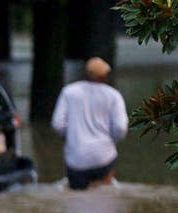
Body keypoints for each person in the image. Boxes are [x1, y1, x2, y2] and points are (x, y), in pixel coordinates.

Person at [51, 56, 129, 190]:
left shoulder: (69, 92)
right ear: (105, 75)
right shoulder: (113, 95)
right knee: (106, 199)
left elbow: (57, 124)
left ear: (85, 74)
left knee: (76, 199)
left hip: (76, 159)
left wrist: (71, 137)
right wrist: (111, 141)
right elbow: (120, 128)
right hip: (104, 157)